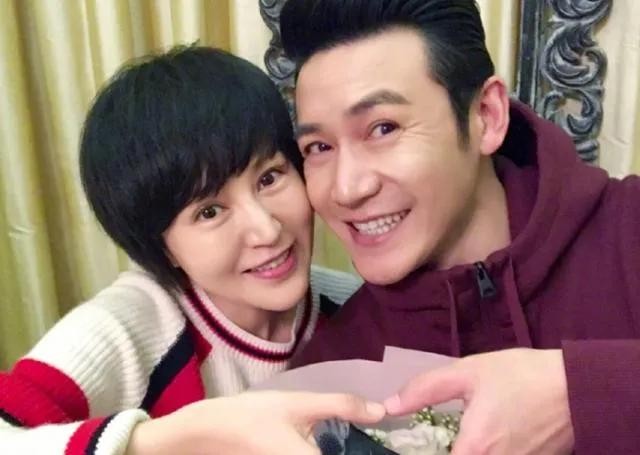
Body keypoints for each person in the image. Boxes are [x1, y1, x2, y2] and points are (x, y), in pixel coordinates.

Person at [279, 0, 640, 453]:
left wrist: (582, 397)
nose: (347, 189)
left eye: (383, 128)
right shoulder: (331, 370)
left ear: (486, 115)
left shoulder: (628, 229)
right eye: (318, 147)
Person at [0, 46, 386, 454]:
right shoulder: (134, 325)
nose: (266, 229)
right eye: (210, 211)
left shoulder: (354, 306)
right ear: (161, 247)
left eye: (269, 178)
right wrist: (171, 439)